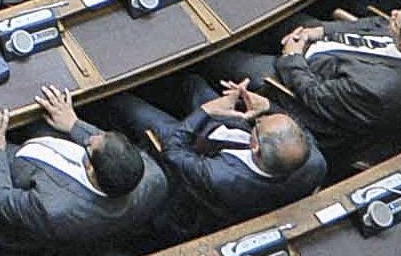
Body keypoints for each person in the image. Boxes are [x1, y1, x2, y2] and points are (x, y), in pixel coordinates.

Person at [0, 89, 168, 256]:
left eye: (91, 144)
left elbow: (2, 199)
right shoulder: (153, 178)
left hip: (18, 171)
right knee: (37, 109)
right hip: (51, 150)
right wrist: (74, 124)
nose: (91, 136)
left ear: (91, 170)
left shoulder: (53, 208)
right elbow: (114, 151)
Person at [210, 5, 401, 146]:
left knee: (228, 60)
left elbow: (315, 95)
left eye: (397, 21)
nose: (394, 13)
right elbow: (370, 26)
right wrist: (318, 31)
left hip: (302, 85)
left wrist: (292, 57)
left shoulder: (376, 90)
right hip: (326, 52)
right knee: (271, 13)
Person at [114, 88, 326, 227]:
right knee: (192, 82)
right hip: (226, 132)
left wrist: (206, 111)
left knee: (127, 103)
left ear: (255, 146)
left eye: (260, 122)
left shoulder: (222, 177)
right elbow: (300, 129)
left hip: (189, 149)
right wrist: (268, 106)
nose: (261, 119)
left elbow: (174, 152)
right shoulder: (314, 160)